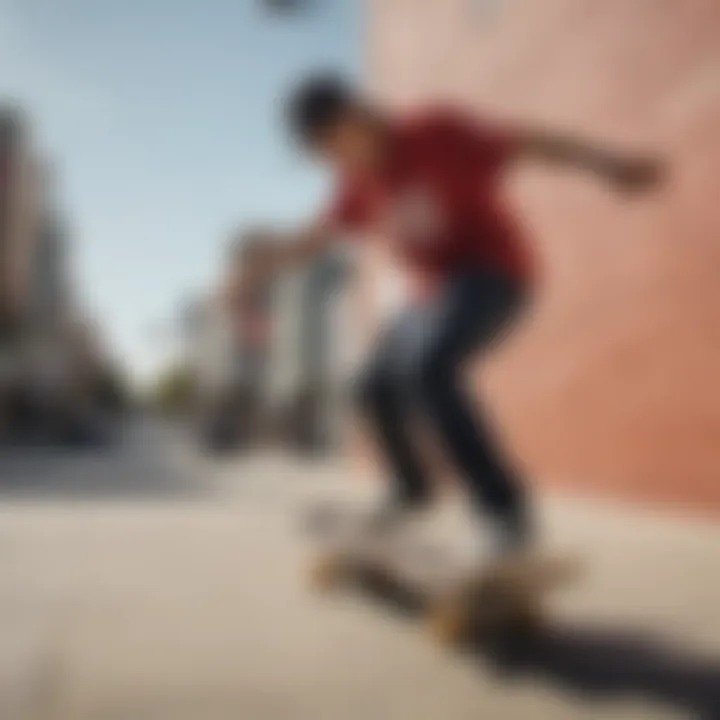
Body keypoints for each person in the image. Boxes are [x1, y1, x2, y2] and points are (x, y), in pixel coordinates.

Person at [241, 74, 662, 558]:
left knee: (429, 367)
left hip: (495, 275)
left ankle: (504, 516)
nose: (336, 163)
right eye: (323, 157)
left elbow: (530, 141)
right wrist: (258, 268)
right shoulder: (355, 186)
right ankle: (411, 489)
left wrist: (610, 165)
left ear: (355, 116)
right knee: (371, 387)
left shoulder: (435, 132)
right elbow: (314, 239)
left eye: (333, 146)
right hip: (431, 298)